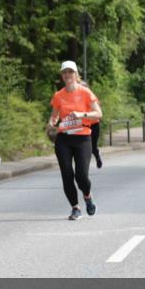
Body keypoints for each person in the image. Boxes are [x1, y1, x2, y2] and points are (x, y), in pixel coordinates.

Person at [47, 61, 102, 220]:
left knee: (81, 175)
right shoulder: (58, 95)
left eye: (71, 72)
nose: (67, 75)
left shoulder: (85, 92)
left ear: (76, 75)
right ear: (62, 76)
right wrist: (51, 123)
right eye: (65, 73)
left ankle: (87, 196)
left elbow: (98, 113)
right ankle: (75, 207)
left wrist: (82, 115)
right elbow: (54, 115)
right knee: (66, 173)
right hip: (64, 138)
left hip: (83, 137)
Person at [80, 80, 103, 169]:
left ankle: (97, 157)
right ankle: (85, 165)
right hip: (84, 125)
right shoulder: (77, 99)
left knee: (93, 146)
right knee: (84, 147)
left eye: (84, 87)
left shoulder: (92, 97)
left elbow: (98, 111)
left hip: (94, 124)